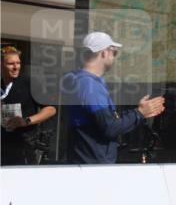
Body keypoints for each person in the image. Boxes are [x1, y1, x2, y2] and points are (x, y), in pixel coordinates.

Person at [63, 32, 165, 164]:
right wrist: (139, 113)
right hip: (93, 165)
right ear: (104, 53)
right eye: (114, 53)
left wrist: (138, 112)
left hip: (88, 162)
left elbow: (107, 120)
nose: (114, 57)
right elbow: (109, 127)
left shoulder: (82, 81)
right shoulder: (89, 85)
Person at [1, 46, 57, 165]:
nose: (16, 67)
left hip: (24, 146)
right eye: (11, 64)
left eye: (18, 63)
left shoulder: (29, 82)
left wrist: (26, 121)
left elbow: (51, 109)